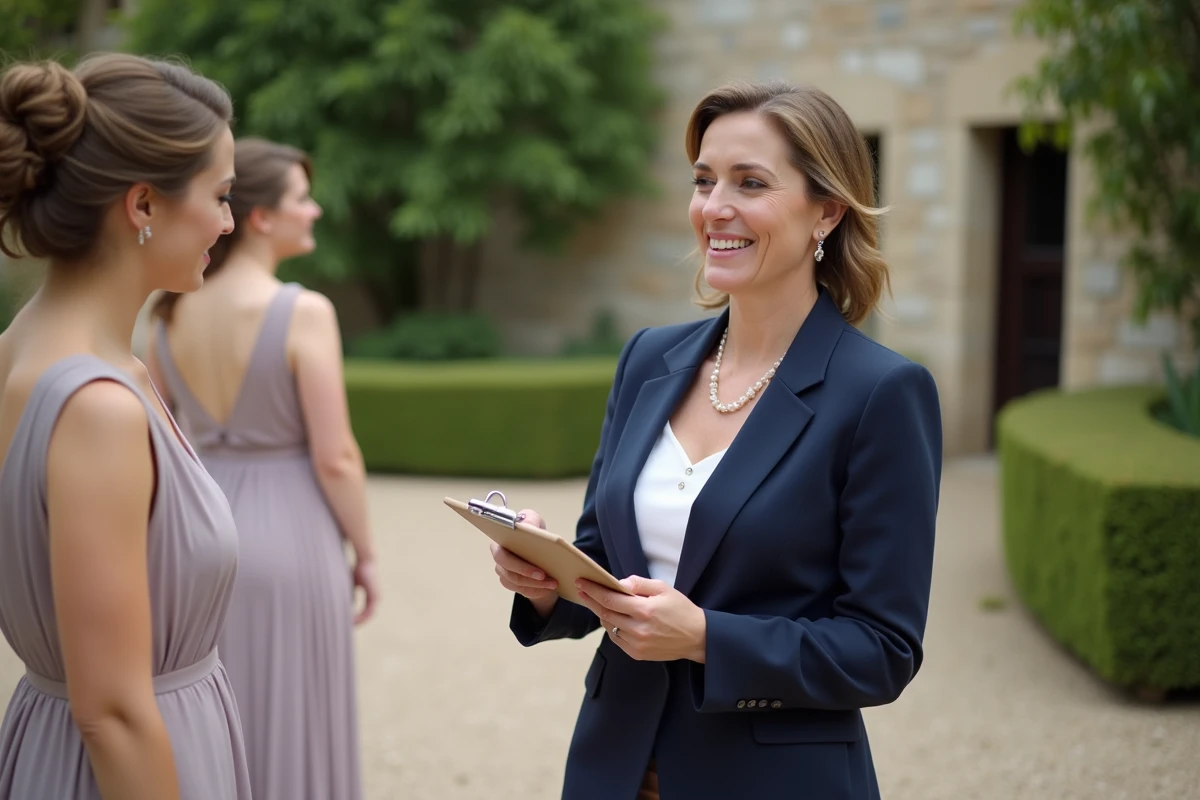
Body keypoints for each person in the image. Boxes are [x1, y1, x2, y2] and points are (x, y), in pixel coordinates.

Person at [490, 80, 943, 800]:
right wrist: (548, 585)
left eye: (750, 182)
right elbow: (607, 562)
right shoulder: (647, 359)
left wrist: (706, 637)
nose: (714, 208)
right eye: (704, 181)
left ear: (826, 211)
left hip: (772, 779)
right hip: (613, 768)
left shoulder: (882, 394)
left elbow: (882, 649)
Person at [0, 54, 251, 799]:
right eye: (221, 195)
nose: (229, 222)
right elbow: (110, 710)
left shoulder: (20, 349)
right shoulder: (98, 408)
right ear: (143, 205)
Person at [147, 137, 376, 800]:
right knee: (297, 713)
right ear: (262, 218)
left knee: (210, 713)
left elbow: (165, 443)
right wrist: (366, 553)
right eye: (303, 199)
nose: (317, 211)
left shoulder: (167, 314)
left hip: (195, 535)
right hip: (293, 535)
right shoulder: (303, 311)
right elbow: (336, 456)